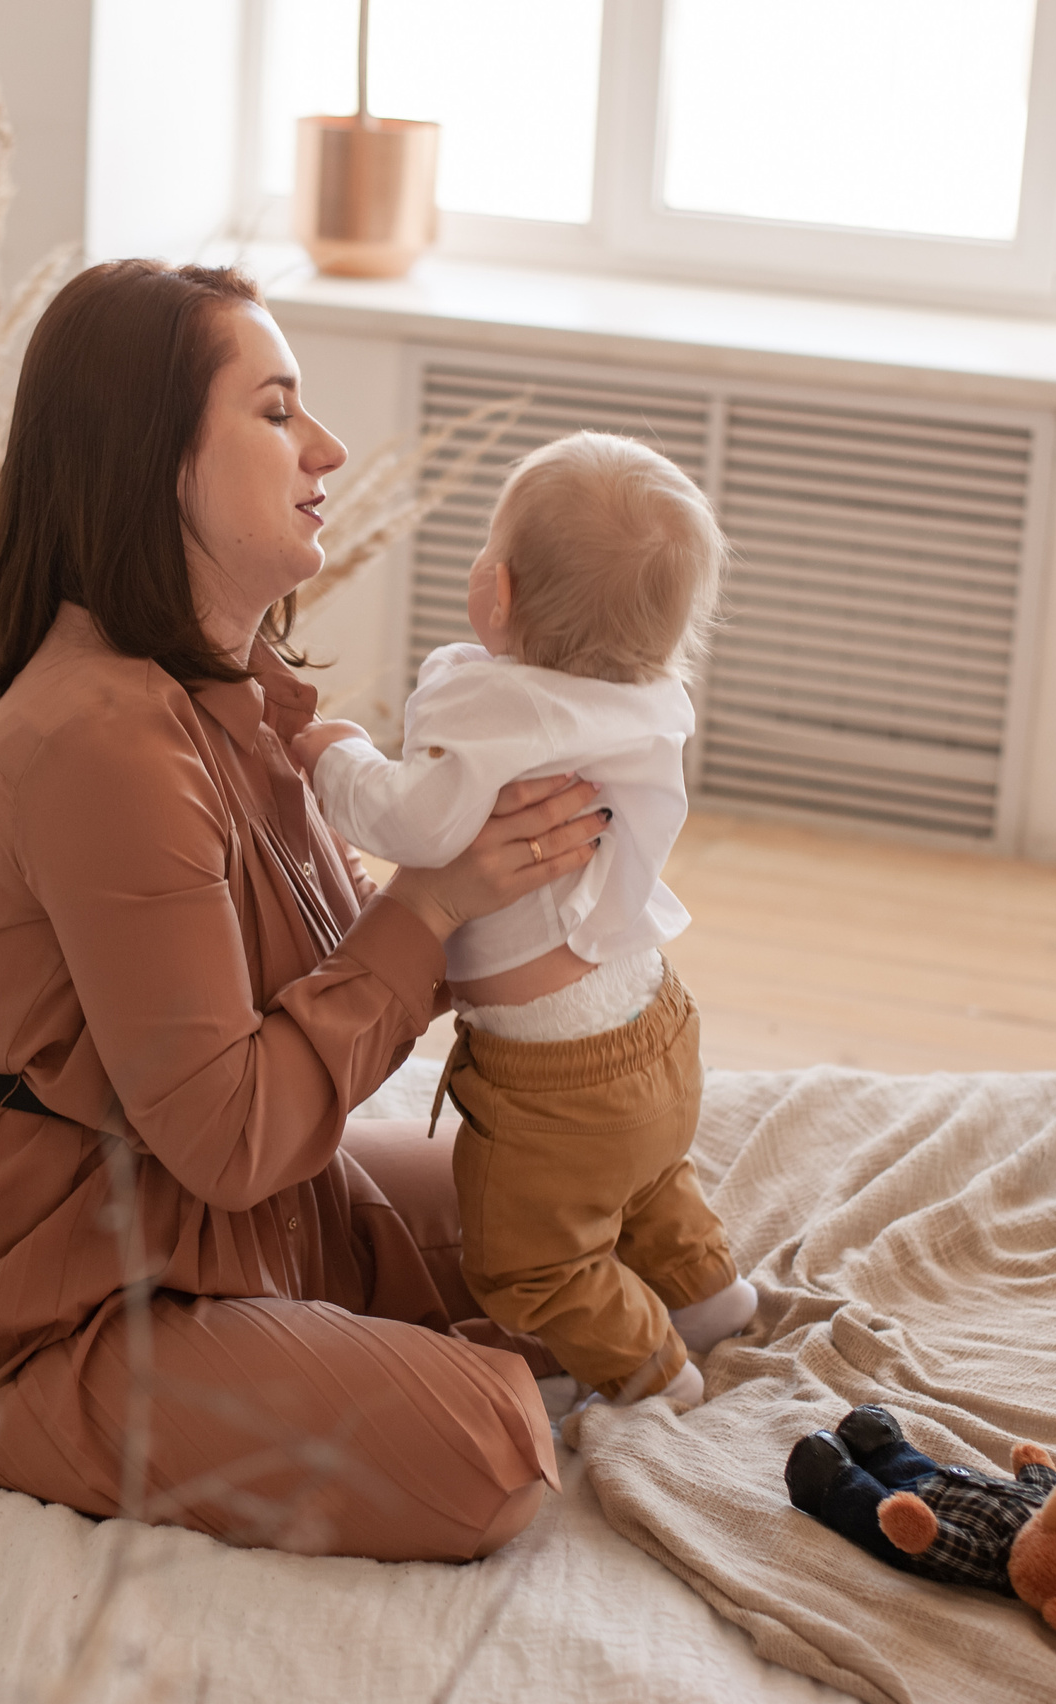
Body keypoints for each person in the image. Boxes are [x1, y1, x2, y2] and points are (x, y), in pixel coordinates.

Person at [0, 260, 611, 1564]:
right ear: (159, 462)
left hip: (236, 1217)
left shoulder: (236, 693)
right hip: (59, 1300)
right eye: (275, 413)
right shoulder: (104, 743)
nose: (324, 450)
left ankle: (330, 1342)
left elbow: (323, 975)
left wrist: (487, 879)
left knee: (593, 1240)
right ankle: (333, 1362)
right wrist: (431, 905)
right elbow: (233, 1133)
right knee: (486, 1451)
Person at [290, 432, 758, 1414]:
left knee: (525, 1260)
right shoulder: (639, 698)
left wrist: (333, 754)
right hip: (656, 1026)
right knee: (642, 1183)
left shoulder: (494, 705)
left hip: (559, 1083)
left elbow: (413, 817)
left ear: (494, 595)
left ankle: (656, 1378)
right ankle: (715, 1301)